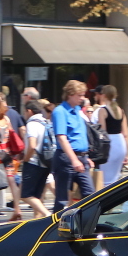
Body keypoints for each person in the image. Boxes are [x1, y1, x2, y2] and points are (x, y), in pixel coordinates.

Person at [51, 80, 95, 210]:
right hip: (66, 158)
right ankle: (55, 226)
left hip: (81, 157)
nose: (82, 98)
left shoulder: (77, 110)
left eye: (83, 95)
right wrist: (74, 160)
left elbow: (79, 136)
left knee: (90, 195)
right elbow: (62, 138)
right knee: (62, 199)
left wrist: (85, 157)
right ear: (70, 94)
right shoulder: (60, 111)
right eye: (79, 95)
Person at [0, 93, 25, 222]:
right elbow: (12, 134)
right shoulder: (6, 119)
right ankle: (17, 209)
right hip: (7, 153)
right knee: (12, 181)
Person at [20, 100, 53, 219]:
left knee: (25, 195)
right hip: (46, 162)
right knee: (37, 196)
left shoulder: (32, 124)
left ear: (29, 111)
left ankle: (47, 214)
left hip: (34, 162)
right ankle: (37, 220)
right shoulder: (46, 122)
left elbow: (32, 145)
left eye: (25, 111)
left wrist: (25, 159)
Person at [95, 84, 127, 185]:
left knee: (105, 179)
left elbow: (103, 132)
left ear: (104, 95)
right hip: (121, 142)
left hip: (110, 144)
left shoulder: (102, 111)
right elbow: (125, 133)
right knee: (115, 177)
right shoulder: (121, 110)